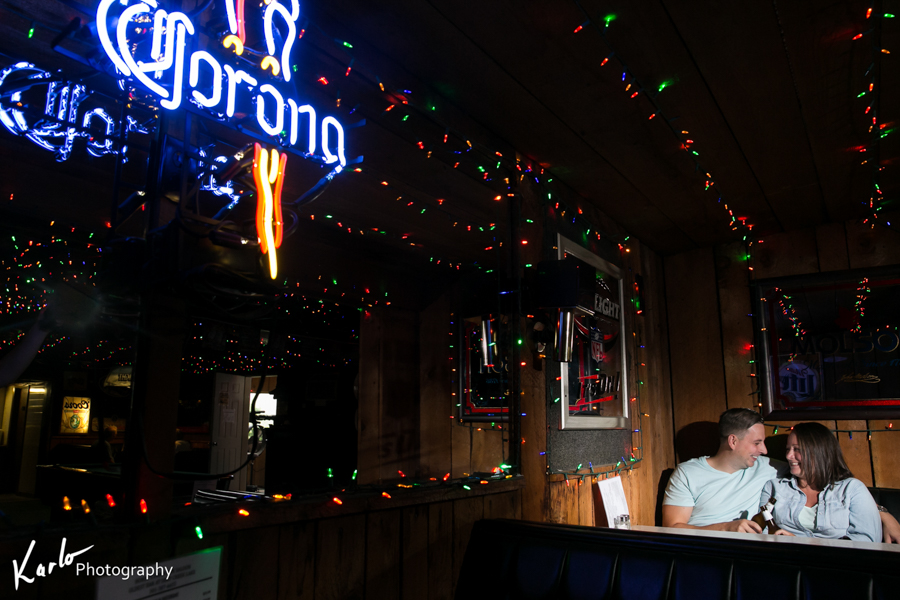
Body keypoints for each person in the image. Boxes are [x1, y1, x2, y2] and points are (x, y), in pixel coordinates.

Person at [662, 408, 900, 542]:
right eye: (758, 443)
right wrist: (726, 528)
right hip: (697, 547)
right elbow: (671, 528)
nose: (766, 451)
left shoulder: (769, 467)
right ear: (733, 441)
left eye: (796, 450)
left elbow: (831, 481)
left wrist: (882, 513)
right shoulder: (688, 473)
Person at [761, 422, 881, 542]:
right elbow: (762, 532)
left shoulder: (852, 489)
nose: (788, 456)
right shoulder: (774, 487)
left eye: (797, 449)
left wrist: (802, 544)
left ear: (818, 452)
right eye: (788, 449)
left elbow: (867, 540)